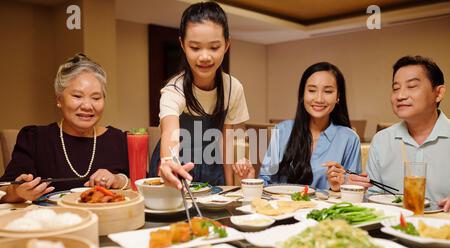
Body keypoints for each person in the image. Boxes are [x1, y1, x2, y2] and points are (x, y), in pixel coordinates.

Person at [0, 53, 129, 203]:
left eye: (96, 98)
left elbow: (143, 183)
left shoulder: (117, 139)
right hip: (53, 223)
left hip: (110, 223)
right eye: (77, 96)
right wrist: (18, 192)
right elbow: (3, 190)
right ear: (59, 99)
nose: (87, 106)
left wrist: (119, 180)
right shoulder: (35, 138)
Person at [151, 1, 249, 186]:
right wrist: (168, 162)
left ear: (227, 44)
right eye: (195, 47)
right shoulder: (174, 90)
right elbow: (170, 130)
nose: (205, 56)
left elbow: (227, 143)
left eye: (214, 47)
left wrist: (229, 189)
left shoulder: (233, 88)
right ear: (182, 44)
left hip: (213, 168)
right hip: (176, 168)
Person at [233, 62, 361, 191]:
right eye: (312, 90)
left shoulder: (349, 138)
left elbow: (354, 192)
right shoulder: (282, 130)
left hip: (324, 210)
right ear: (302, 94)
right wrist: (250, 179)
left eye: (328, 91)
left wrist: (341, 186)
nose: (319, 99)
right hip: (283, 208)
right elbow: (267, 183)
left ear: (338, 96)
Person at [348, 55, 449, 212]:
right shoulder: (382, 140)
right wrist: (358, 189)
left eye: (412, 86)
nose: (400, 95)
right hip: (392, 228)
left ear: (438, 93)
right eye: (396, 88)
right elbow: (373, 197)